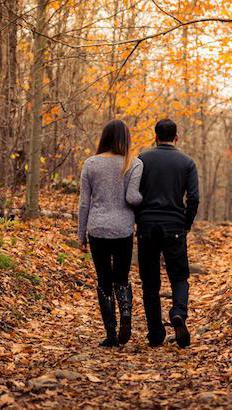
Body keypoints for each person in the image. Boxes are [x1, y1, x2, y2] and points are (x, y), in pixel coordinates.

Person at [77, 120, 143, 347]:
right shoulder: (133, 163)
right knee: (121, 278)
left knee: (104, 280)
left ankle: (111, 333)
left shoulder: (90, 163)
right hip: (123, 229)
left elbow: (84, 203)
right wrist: (145, 201)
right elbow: (132, 198)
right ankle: (126, 314)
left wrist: (81, 236)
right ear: (125, 138)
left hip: (97, 229)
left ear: (104, 137)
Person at [136, 119, 199, 348]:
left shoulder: (142, 159)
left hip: (147, 226)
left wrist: (138, 217)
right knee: (179, 277)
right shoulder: (187, 162)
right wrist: (186, 223)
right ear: (176, 138)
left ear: (155, 136)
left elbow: (133, 193)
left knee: (150, 282)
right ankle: (178, 313)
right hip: (174, 226)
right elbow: (194, 198)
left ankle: (155, 333)